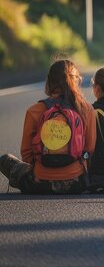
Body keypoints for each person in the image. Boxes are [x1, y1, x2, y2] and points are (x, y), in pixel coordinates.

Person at [0, 59, 96, 194]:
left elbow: (27, 153)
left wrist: (43, 170)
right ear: (76, 81)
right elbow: (90, 149)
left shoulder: (34, 110)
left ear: (49, 81)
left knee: (5, 159)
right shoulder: (86, 109)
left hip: (39, 184)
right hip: (77, 183)